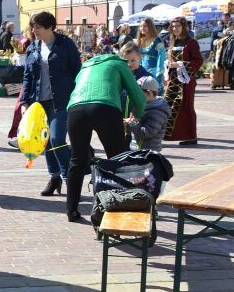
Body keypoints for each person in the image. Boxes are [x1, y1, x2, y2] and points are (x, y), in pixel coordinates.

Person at [65, 52, 146, 221]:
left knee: (77, 160)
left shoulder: (85, 66)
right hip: (105, 108)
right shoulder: (119, 64)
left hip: (75, 109)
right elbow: (138, 97)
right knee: (118, 159)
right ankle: (119, 205)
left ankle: (71, 211)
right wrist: (136, 117)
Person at [21, 12, 80, 197]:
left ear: (49, 27)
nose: (34, 30)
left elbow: (77, 71)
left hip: (62, 99)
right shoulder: (33, 47)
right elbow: (27, 76)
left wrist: (78, 96)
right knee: (45, 140)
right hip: (39, 102)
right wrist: (24, 101)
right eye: (33, 27)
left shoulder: (65, 44)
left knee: (56, 139)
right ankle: (53, 177)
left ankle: (68, 178)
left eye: (38, 27)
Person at [163, 16, 202, 145]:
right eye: (173, 26)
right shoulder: (172, 42)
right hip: (173, 80)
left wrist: (179, 64)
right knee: (169, 105)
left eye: (178, 26)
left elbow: (198, 61)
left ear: (184, 27)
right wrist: (168, 64)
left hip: (186, 81)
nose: (175, 29)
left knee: (186, 107)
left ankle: (190, 137)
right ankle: (170, 135)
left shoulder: (191, 43)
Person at [125, 76, 171, 152]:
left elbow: (146, 133)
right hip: (136, 150)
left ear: (148, 92)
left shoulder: (158, 111)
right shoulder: (141, 106)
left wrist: (132, 123)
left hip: (148, 153)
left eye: (138, 93)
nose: (135, 96)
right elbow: (134, 130)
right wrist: (127, 124)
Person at [135, 18, 166, 89]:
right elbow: (139, 58)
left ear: (150, 27)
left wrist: (159, 73)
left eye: (145, 26)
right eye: (141, 26)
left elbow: (161, 57)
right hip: (142, 72)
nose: (142, 28)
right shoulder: (140, 41)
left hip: (154, 72)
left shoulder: (157, 41)